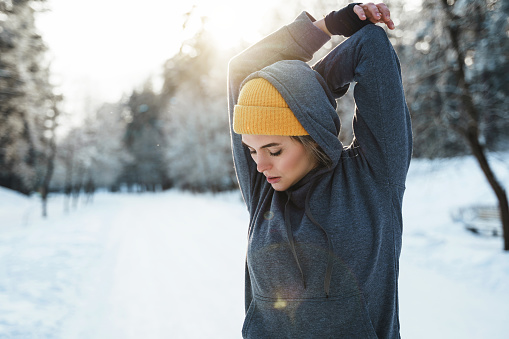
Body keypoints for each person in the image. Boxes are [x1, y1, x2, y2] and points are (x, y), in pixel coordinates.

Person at [227, 2, 412, 338]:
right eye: (251, 150)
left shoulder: (373, 178)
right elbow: (242, 70)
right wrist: (324, 26)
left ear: (311, 135)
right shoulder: (265, 193)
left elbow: (371, 46)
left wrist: (310, 90)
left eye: (274, 149)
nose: (259, 164)